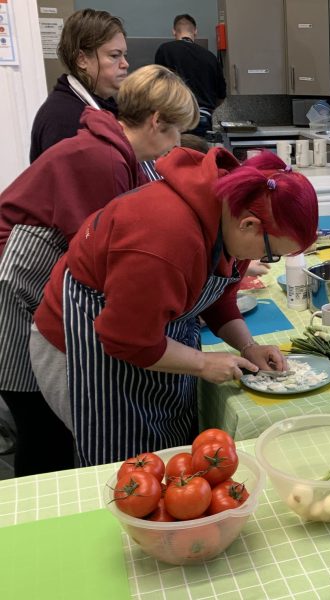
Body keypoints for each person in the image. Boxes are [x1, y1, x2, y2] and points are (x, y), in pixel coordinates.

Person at [31, 149, 318, 468]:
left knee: (165, 456)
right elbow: (126, 339)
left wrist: (248, 346)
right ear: (249, 224)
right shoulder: (165, 237)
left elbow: (219, 295)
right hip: (85, 345)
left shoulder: (232, 213)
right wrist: (200, 363)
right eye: (272, 253)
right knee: (126, 467)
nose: (268, 261)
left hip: (144, 330)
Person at [0, 64, 198, 476]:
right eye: (176, 130)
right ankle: (38, 523)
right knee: (39, 421)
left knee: (49, 422)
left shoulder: (127, 156)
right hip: (16, 287)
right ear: (156, 120)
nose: (177, 143)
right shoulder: (102, 158)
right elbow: (103, 258)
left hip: (40, 283)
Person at [30, 9, 128, 163]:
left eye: (124, 55)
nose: (125, 64)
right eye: (115, 56)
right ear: (81, 60)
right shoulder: (63, 119)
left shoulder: (107, 104)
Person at [155, 13, 227, 138]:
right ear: (195, 32)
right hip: (202, 120)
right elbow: (221, 96)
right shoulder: (210, 57)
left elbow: (158, 86)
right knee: (198, 156)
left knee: (177, 157)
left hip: (175, 119)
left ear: (174, 31)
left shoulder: (165, 50)